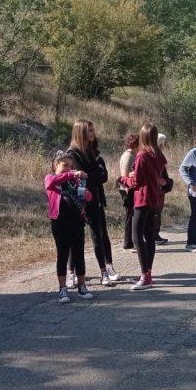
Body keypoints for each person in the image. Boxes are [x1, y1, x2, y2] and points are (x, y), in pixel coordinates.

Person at [68, 120, 121, 287]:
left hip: (94, 199)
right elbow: (80, 176)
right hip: (77, 201)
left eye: (93, 130)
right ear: (82, 132)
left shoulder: (93, 151)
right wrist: (92, 174)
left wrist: (89, 174)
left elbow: (102, 176)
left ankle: (105, 271)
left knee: (98, 234)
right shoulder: (73, 154)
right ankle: (71, 273)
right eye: (90, 130)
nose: (93, 133)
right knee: (75, 237)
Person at [45, 151, 93, 302]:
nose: (68, 168)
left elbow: (87, 197)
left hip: (77, 221)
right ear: (56, 165)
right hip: (59, 222)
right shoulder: (51, 178)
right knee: (63, 254)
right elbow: (51, 182)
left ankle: (82, 286)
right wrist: (72, 174)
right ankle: (62, 289)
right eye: (65, 165)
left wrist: (85, 193)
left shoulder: (74, 181)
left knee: (79, 253)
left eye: (71, 166)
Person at [125, 124, 167, 291]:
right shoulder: (158, 154)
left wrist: (124, 180)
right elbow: (158, 176)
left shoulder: (142, 155)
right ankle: (147, 273)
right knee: (149, 236)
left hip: (142, 198)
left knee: (136, 237)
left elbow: (137, 181)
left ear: (142, 137)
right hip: (154, 198)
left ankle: (145, 276)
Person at [118, 134, 139, 252]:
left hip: (131, 188)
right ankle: (128, 244)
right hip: (127, 190)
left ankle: (131, 242)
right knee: (130, 216)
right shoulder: (128, 156)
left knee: (132, 215)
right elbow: (124, 176)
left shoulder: (133, 155)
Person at [154, 133, 171, 246]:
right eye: (164, 142)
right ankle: (154, 235)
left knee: (158, 212)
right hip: (157, 188)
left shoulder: (159, 153)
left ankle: (156, 234)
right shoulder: (155, 154)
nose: (165, 144)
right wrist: (160, 180)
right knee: (156, 212)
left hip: (160, 188)